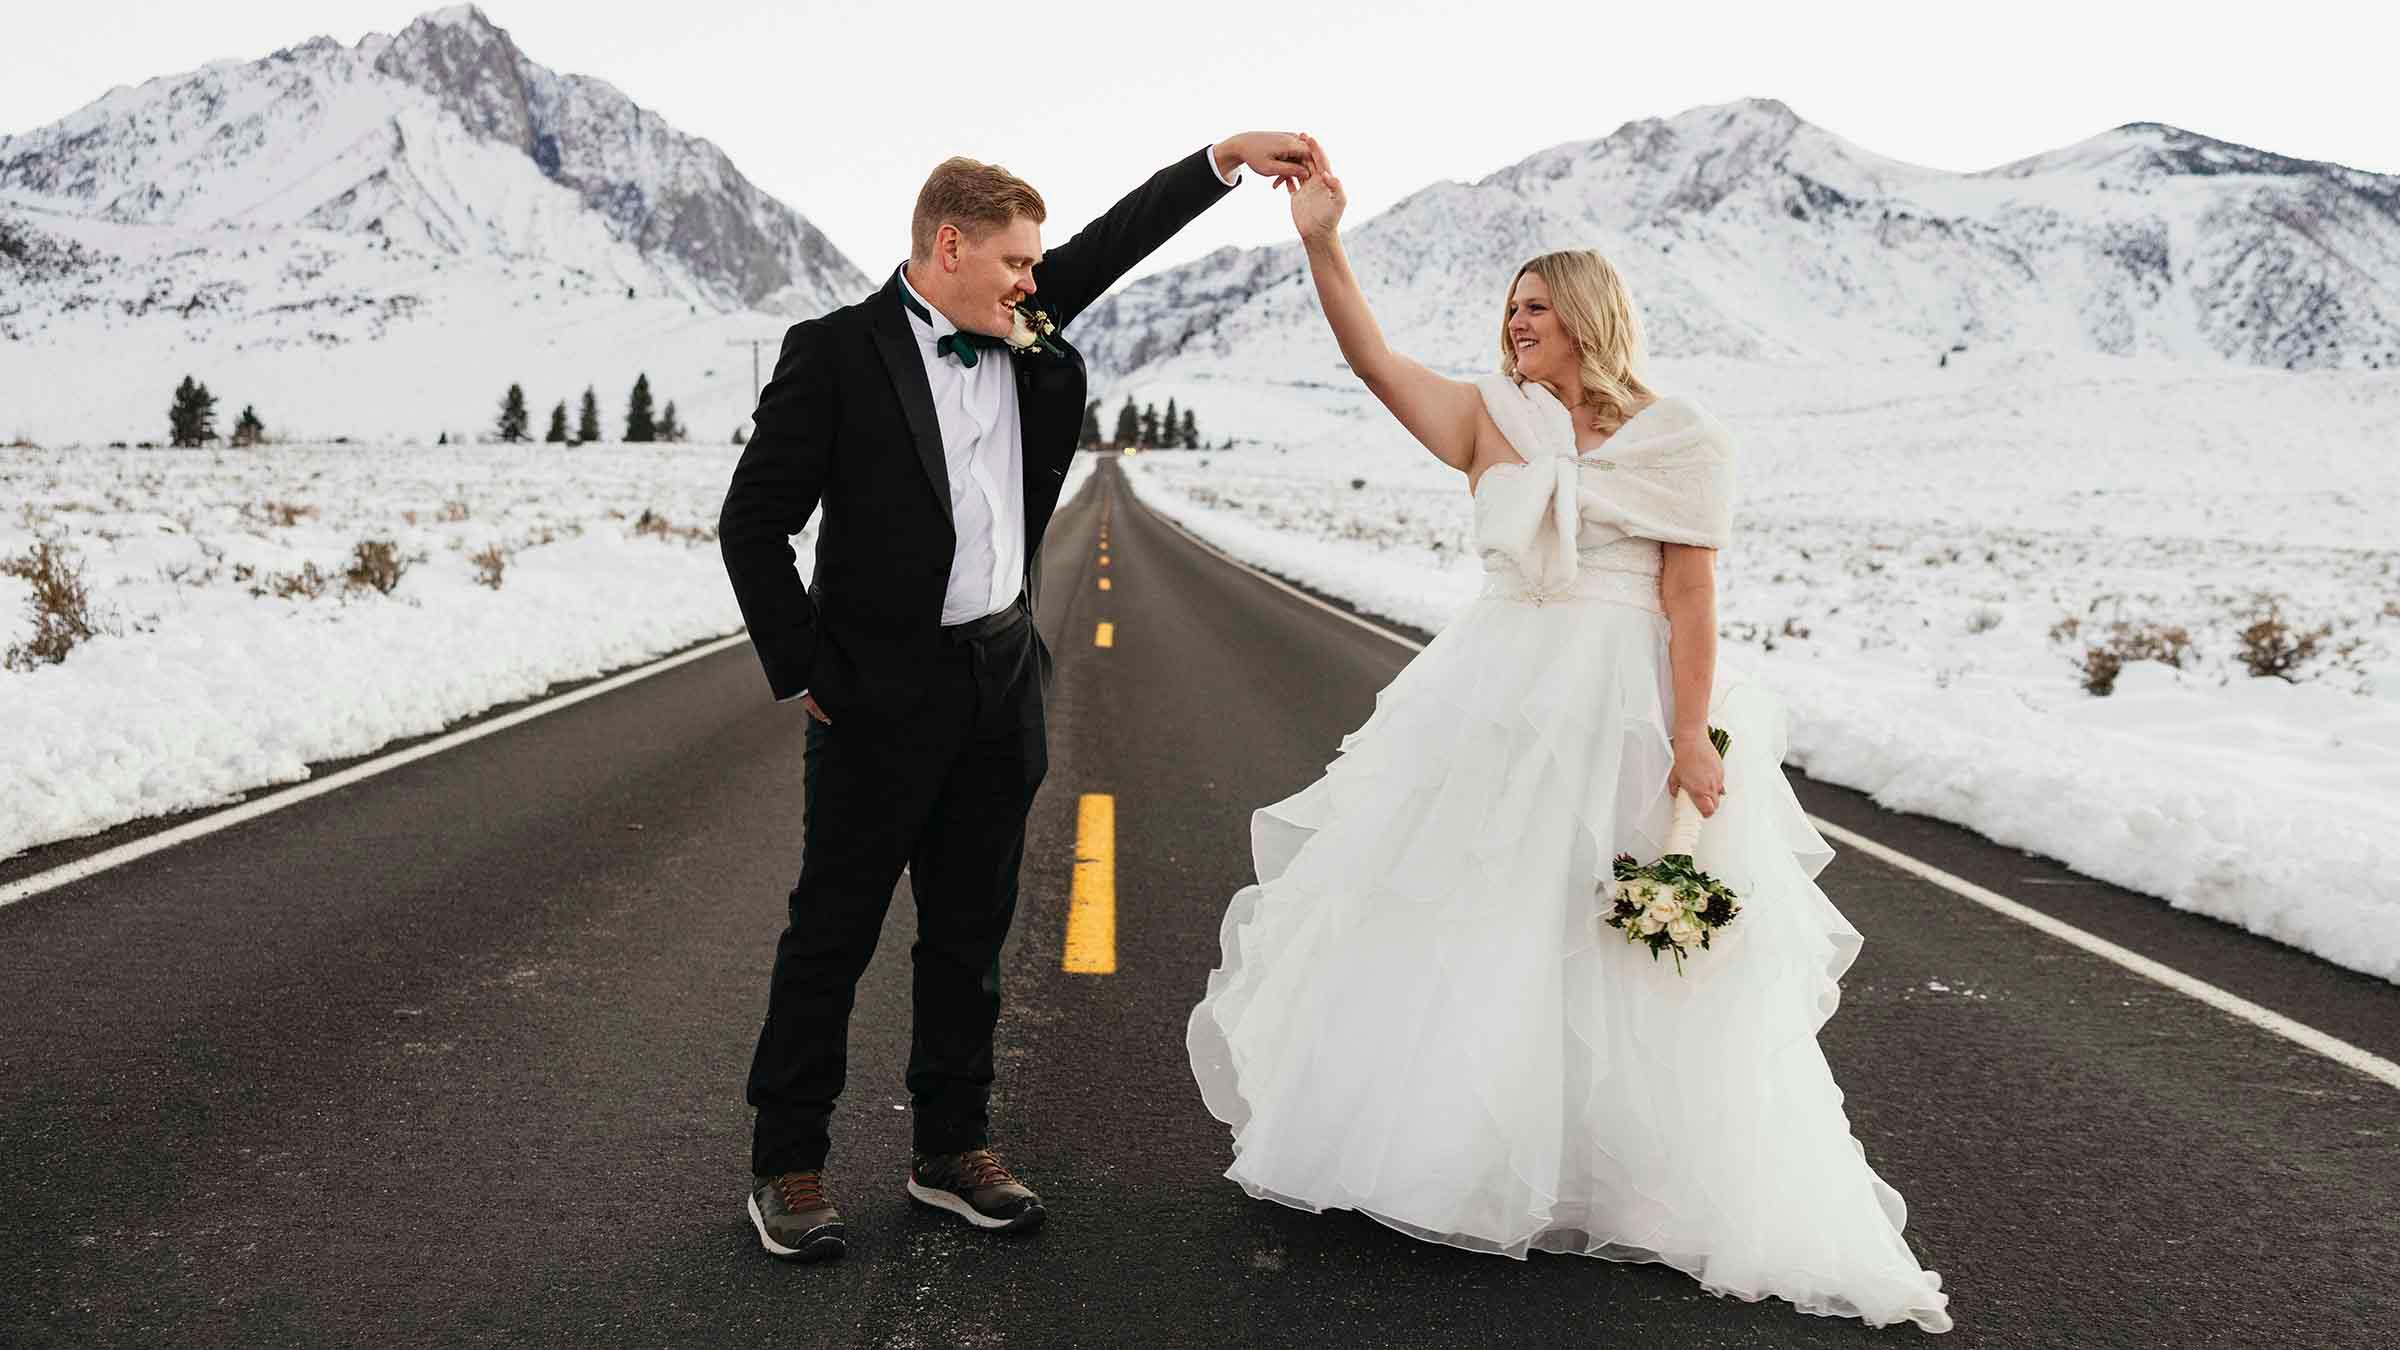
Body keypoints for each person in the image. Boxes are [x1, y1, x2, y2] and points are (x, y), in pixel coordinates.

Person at [1184, 137, 1954, 1333]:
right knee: (1472, 913)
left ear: (1591, 315)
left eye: (1537, 306)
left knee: (1608, 934)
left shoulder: (1681, 438)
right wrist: (1325, 244)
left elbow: (1691, 598)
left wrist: (1693, 738)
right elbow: (1375, 362)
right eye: (1508, 309)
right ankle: (1443, 1154)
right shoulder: (1491, 418)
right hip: (1493, 695)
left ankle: (1622, 1180)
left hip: (1624, 701)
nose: (1516, 325)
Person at [721, 132, 1314, 1263]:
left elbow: (1118, 244)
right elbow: (752, 524)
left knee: (970, 936)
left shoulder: (1022, 327)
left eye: (1037, 267)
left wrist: (1222, 162)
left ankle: (952, 1148)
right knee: (831, 936)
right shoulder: (835, 355)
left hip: (1000, 683)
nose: (1034, 283)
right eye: (1014, 263)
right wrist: (811, 672)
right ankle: (787, 1164)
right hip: (877, 699)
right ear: (950, 247)